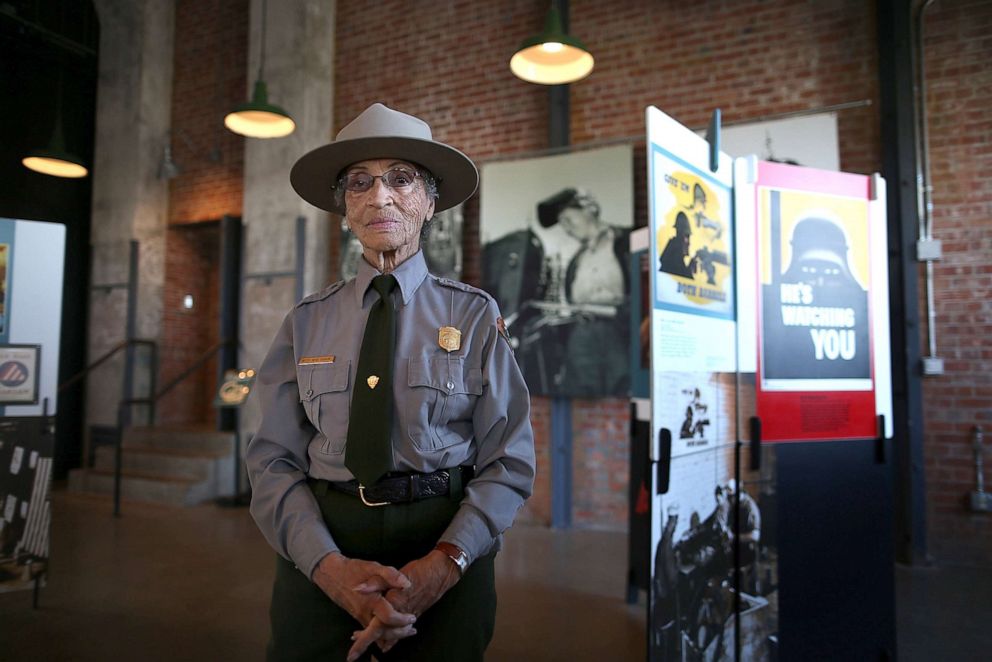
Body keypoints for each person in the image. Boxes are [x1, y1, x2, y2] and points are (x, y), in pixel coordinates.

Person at [246, 103, 536, 662]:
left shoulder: (474, 316)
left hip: (445, 535)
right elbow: (271, 460)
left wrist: (448, 562)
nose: (380, 197)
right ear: (345, 210)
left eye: (401, 180)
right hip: (326, 540)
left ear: (429, 203)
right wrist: (328, 570)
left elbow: (510, 458)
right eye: (360, 183)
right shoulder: (306, 321)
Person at [522, 187, 630, 397]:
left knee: (621, 388)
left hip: (620, 335)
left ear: (589, 208)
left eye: (568, 218)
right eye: (561, 224)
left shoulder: (624, 242)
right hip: (583, 336)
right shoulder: (576, 261)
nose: (566, 228)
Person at [658, 211, 696, 278]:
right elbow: (680, 274)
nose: (689, 243)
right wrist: (689, 270)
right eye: (687, 236)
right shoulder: (673, 256)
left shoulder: (673, 256)